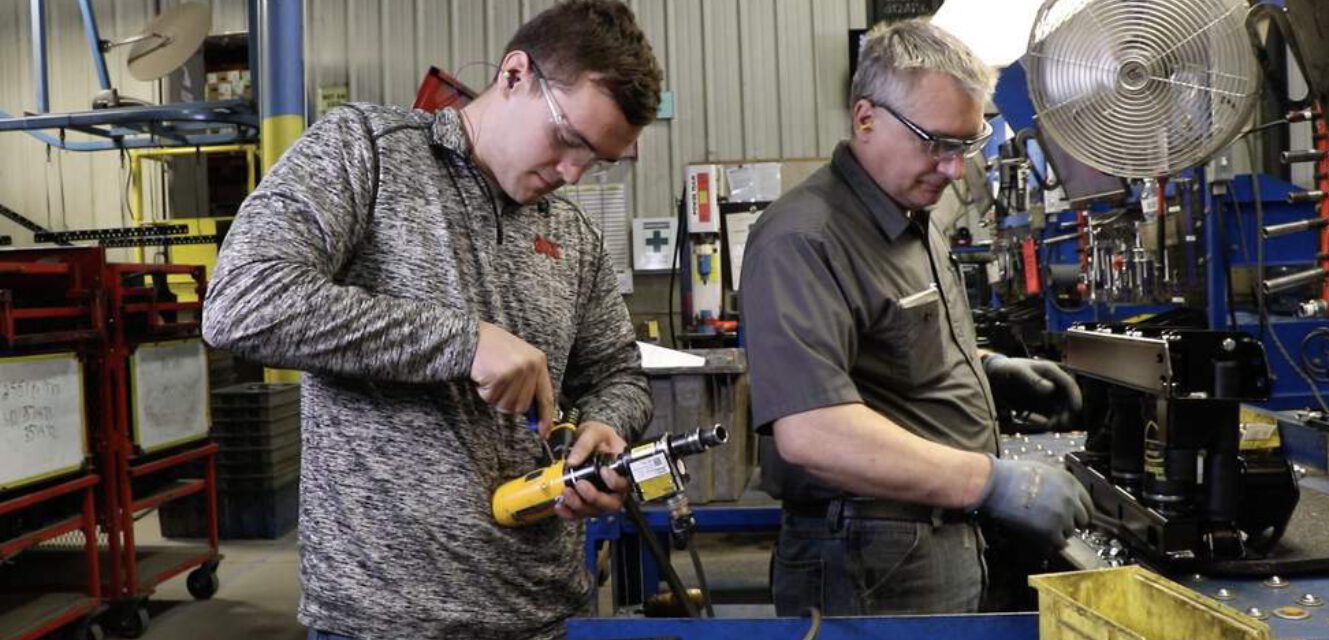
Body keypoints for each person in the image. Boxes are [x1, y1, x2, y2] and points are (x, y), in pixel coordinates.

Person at [202, 2, 662, 638]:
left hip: (536, 612)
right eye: (568, 140)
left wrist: (604, 430)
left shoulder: (574, 238)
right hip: (382, 618)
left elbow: (620, 373)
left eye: (598, 161)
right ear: (516, 75)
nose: (573, 174)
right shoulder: (368, 152)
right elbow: (243, 300)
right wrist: (462, 342)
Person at [740, 18, 1092, 617]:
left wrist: (988, 369)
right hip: (871, 561)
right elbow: (813, 432)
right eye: (937, 143)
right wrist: (996, 483)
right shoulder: (803, 239)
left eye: (967, 145)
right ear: (865, 118)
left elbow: (886, 348)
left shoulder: (907, 215)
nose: (955, 170)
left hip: (937, 537)